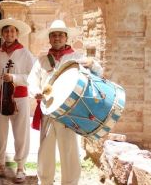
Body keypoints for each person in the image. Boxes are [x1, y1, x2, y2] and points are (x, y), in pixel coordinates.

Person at [27, 19, 103, 185]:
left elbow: (98, 72)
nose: (57, 38)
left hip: (69, 112)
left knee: (69, 151)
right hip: (48, 110)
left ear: (66, 37)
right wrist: (36, 92)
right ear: (49, 38)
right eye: (53, 35)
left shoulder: (77, 57)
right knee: (45, 152)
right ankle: (45, 182)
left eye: (60, 35)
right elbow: (31, 81)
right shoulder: (41, 60)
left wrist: (92, 63)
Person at [0, 17, 35, 182]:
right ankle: (0, 166)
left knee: (21, 134)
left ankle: (20, 167)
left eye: (12, 30)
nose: (9, 33)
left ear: (17, 33)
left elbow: (33, 78)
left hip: (19, 98)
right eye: (6, 31)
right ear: (2, 34)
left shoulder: (25, 54)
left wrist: (14, 77)